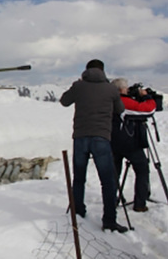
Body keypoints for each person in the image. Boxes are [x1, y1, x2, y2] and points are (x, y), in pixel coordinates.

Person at [60, 59, 128, 233]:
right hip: (101, 137)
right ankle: (109, 220)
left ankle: (78, 211)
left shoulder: (79, 86)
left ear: (86, 70)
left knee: (79, 178)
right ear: (103, 71)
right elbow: (120, 110)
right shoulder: (111, 89)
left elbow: (64, 101)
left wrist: (78, 87)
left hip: (81, 137)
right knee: (107, 181)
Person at [111, 78, 156, 212]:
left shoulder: (109, 101)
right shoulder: (124, 102)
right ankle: (140, 203)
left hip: (112, 142)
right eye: (126, 88)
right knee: (142, 170)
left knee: (114, 173)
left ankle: (111, 201)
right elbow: (148, 109)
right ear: (120, 90)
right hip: (130, 143)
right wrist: (146, 97)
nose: (128, 90)